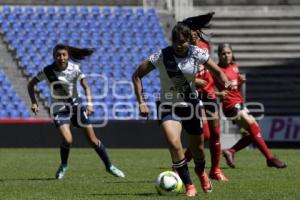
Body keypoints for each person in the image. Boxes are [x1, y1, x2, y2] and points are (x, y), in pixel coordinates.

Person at [132, 23, 231, 196]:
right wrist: (142, 102)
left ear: (188, 42)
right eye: (176, 42)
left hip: (191, 105)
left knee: (198, 148)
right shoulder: (162, 56)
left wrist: (226, 81)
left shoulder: (197, 53)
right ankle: (189, 185)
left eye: (183, 42)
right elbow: (137, 75)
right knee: (173, 142)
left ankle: (201, 172)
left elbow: (217, 71)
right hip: (167, 105)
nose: (179, 45)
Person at [27, 44, 125, 179]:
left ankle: (109, 166)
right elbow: (30, 84)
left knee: (92, 140)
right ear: (54, 56)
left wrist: (90, 104)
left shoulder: (75, 69)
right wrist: (33, 102)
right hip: (59, 110)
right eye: (58, 55)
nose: (61, 57)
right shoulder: (47, 71)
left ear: (68, 56)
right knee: (67, 139)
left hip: (76, 108)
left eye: (63, 55)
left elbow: (86, 88)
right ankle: (64, 165)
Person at [215, 43, 287, 169]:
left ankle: (230, 151)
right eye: (223, 53)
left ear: (232, 53)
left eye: (229, 53)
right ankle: (270, 158)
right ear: (219, 55)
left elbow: (236, 89)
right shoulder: (216, 70)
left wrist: (241, 83)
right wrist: (218, 94)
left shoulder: (235, 67)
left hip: (240, 103)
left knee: (252, 133)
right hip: (230, 106)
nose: (226, 56)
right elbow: (206, 88)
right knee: (253, 125)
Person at [182, 13, 228, 181]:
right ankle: (182, 163)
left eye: (196, 30)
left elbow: (213, 69)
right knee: (205, 135)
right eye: (191, 30)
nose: (194, 32)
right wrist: (194, 81)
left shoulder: (205, 45)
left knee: (215, 133)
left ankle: (215, 171)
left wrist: (221, 86)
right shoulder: (181, 49)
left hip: (208, 92)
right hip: (193, 94)